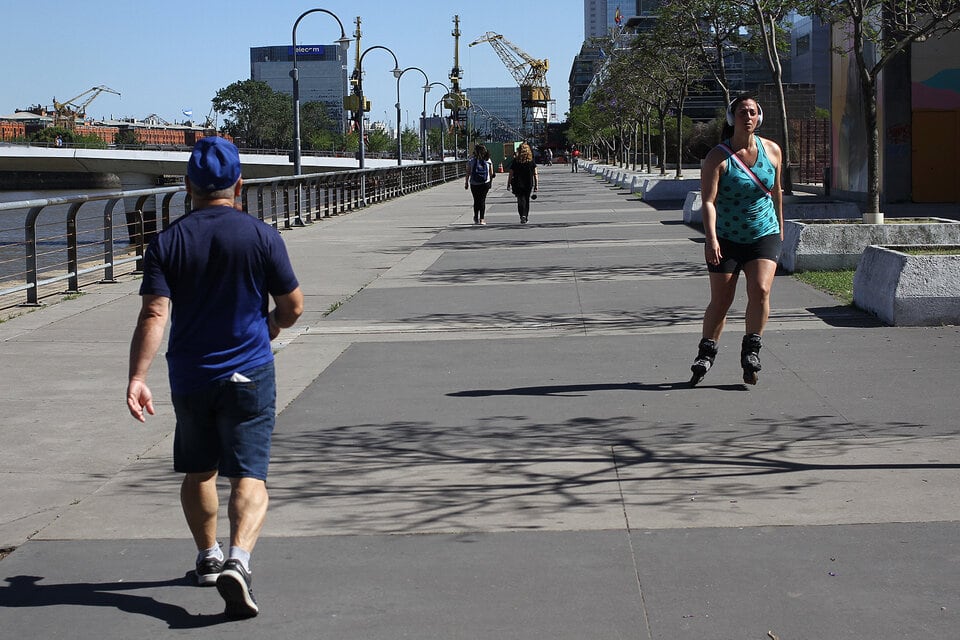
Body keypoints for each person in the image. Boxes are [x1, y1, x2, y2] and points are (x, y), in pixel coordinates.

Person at [126, 136, 304, 619]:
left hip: (191, 375)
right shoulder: (262, 236)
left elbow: (154, 314)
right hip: (249, 371)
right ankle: (238, 562)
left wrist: (137, 377)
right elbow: (293, 307)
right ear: (239, 185)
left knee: (199, 468)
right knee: (249, 474)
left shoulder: (167, 242)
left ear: (188, 187)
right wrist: (268, 326)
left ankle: (208, 558)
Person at [689, 94, 783, 387]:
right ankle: (707, 352)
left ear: (759, 117)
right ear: (732, 118)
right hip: (726, 237)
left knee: (761, 289)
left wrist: (780, 228)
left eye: (753, 112)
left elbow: (776, 191)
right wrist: (711, 238)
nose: (748, 117)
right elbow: (708, 201)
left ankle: (751, 351)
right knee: (722, 300)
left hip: (763, 234)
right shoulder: (719, 156)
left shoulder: (773, 151)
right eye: (742, 112)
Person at [507, 142, 538, 224]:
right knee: (526, 200)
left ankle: (521, 215)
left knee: (520, 200)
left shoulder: (515, 161)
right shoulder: (531, 162)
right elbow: (535, 174)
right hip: (528, 183)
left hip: (517, 183)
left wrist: (508, 183)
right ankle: (525, 215)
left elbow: (511, 173)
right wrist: (536, 185)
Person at [465, 143, 495, 224]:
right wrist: (490, 183)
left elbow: (468, 172)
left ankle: (475, 217)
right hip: (485, 182)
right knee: (482, 200)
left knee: (476, 200)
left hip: (474, 183)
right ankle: (482, 219)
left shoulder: (471, 160)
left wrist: (466, 183)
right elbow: (491, 173)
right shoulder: (488, 160)